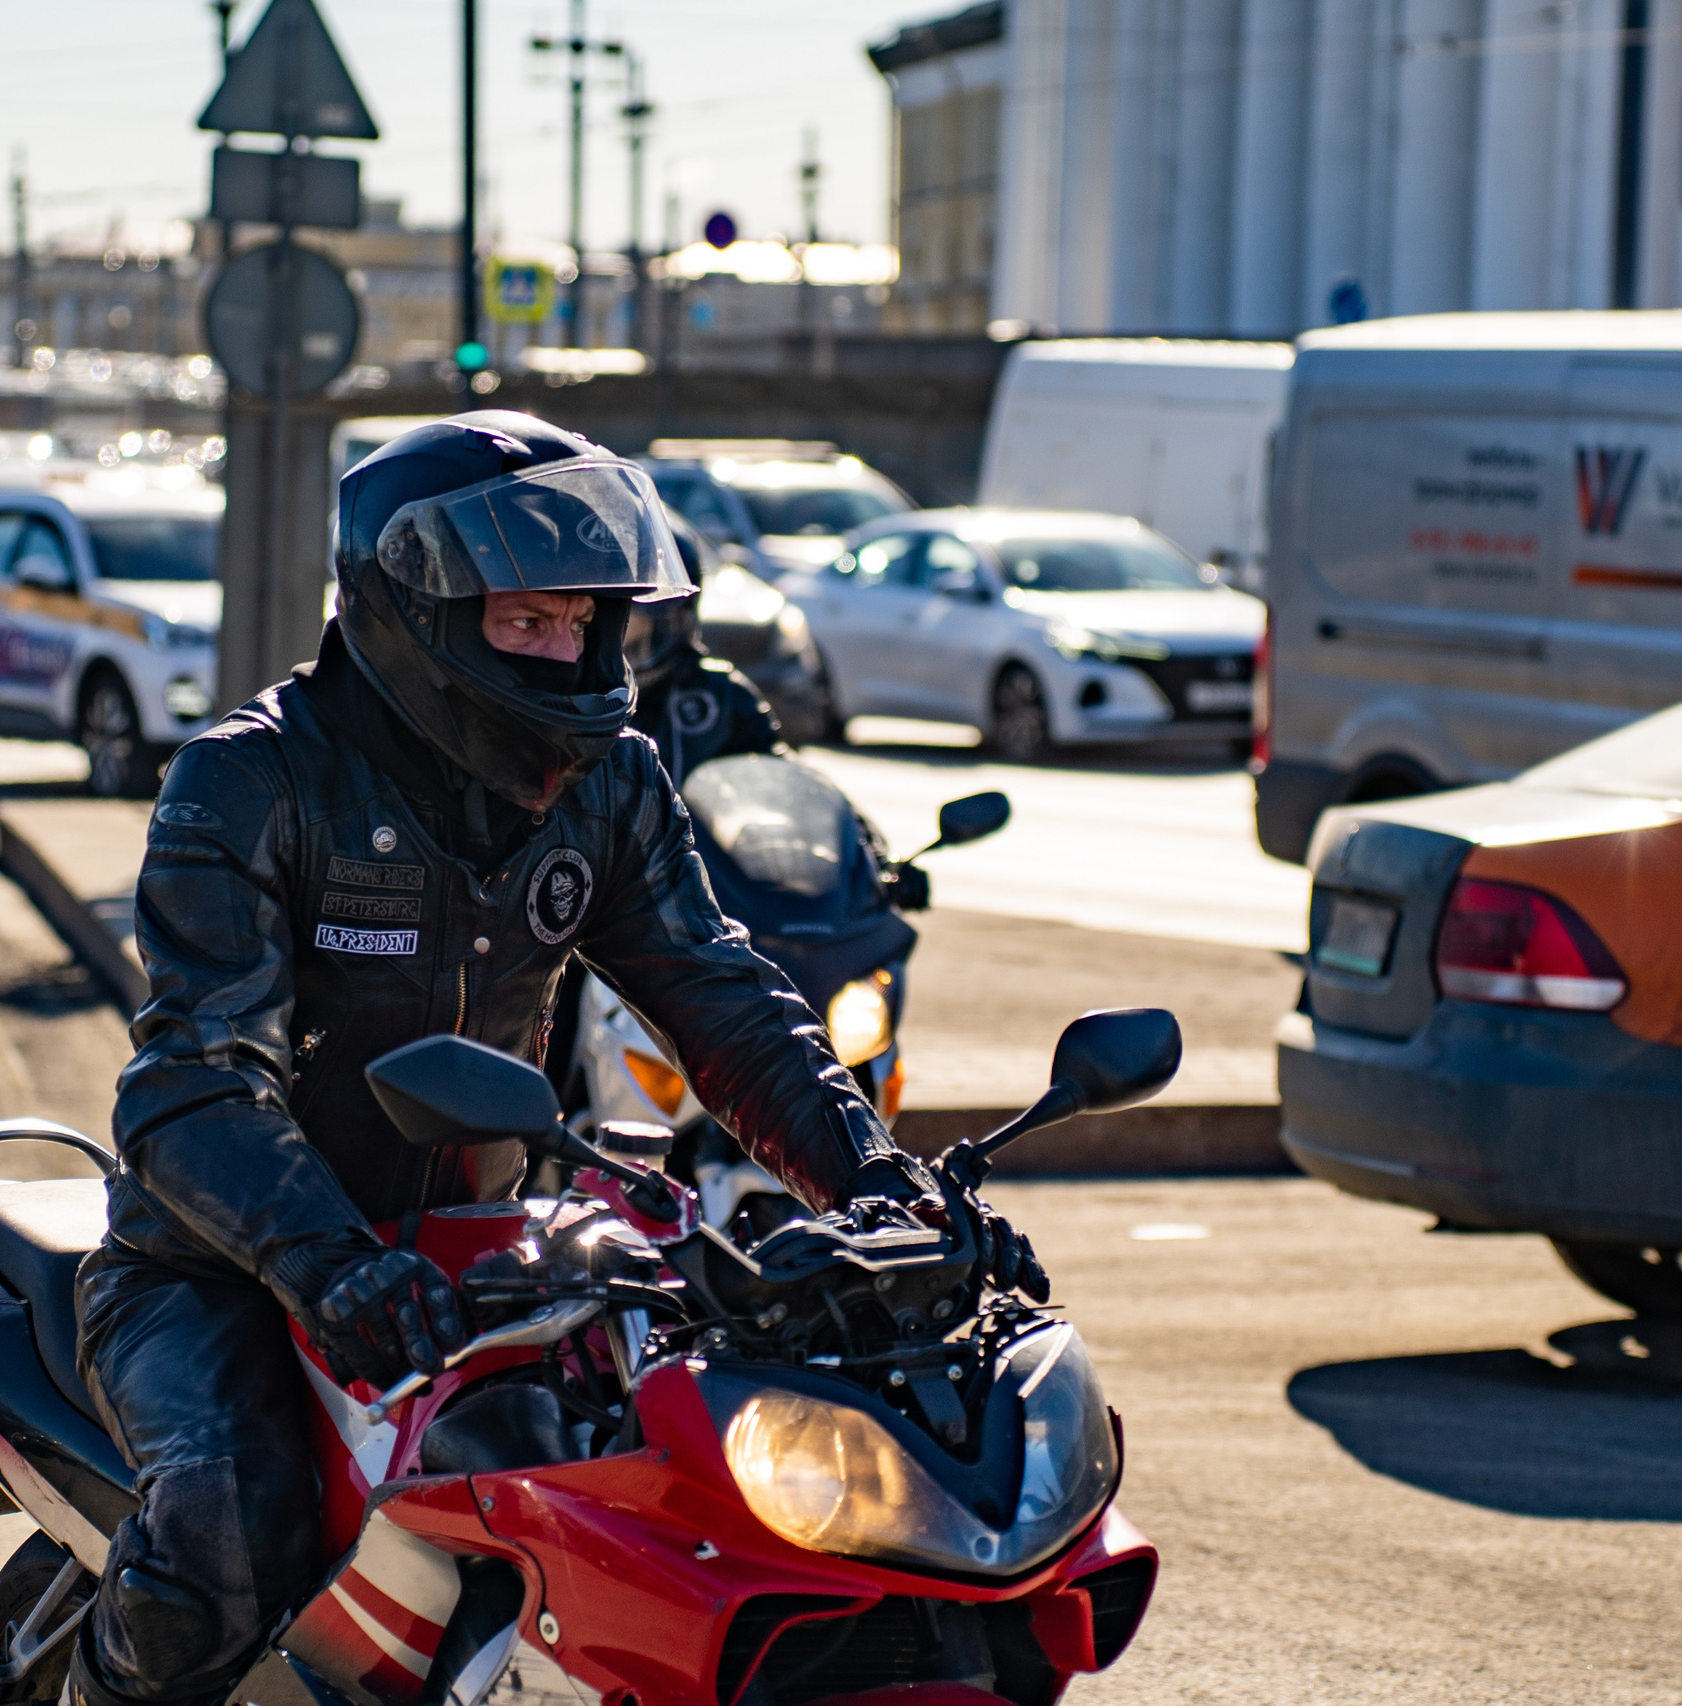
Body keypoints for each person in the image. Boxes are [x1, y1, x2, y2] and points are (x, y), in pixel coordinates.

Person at [71, 412, 1043, 1706]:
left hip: (492, 1254)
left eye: (584, 621)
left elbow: (725, 998)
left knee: (653, 1512)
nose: (569, 651)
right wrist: (331, 1261)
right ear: (416, 609)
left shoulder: (610, 782)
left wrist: (878, 1184)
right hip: (216, 1266)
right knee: (228, 1533)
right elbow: (192, 1085)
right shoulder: (250, 782)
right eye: (528, 619)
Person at [622, 520, 784, 781]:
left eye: (659, 618)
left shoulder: (722, 695)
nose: (627, 629)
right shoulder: (573, 692)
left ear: (683, 618)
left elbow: (778, 784)